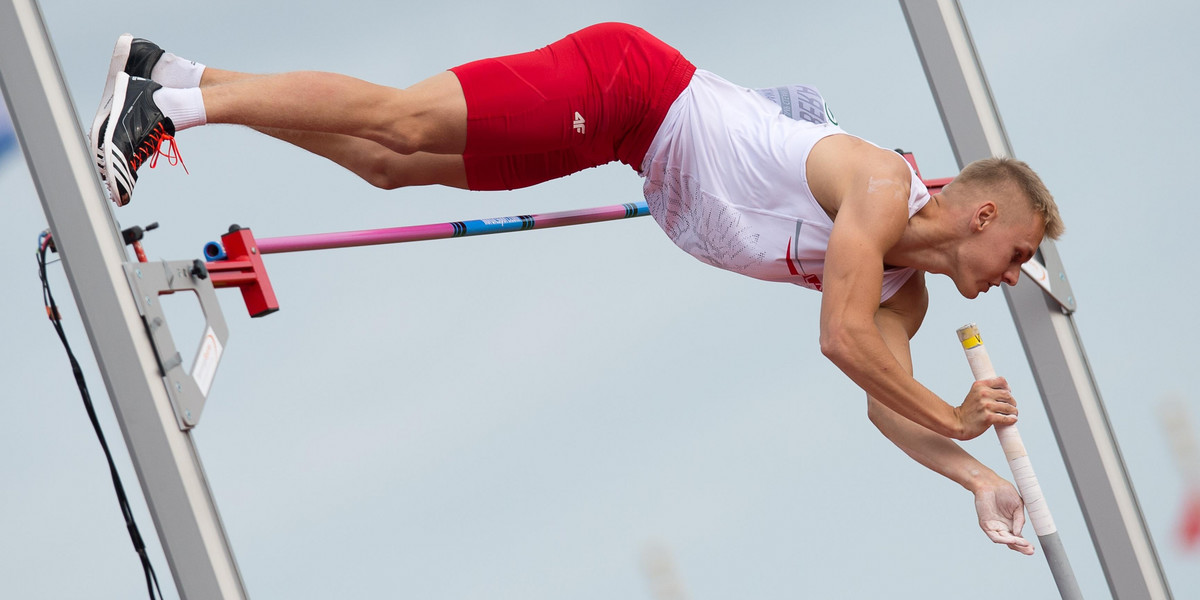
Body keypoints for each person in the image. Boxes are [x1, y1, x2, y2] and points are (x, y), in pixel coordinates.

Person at [91, 22, 1063, 555]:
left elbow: (880, 403)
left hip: (619, 139)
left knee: (387, 166)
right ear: (983, 216)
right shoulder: (881, 189)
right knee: (402, 121)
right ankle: (171, 107)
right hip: (629, 84)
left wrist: (974, 475)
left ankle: (176, 73)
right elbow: (841, 343)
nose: (1014, 277)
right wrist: (959, 414)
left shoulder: (910, 291)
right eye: (1019, 255)